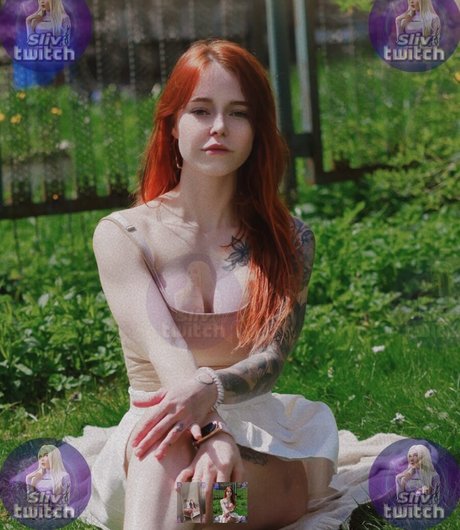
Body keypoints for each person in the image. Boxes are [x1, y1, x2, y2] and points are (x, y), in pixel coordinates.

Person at [68, 39, 339, 530]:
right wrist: (212, 432)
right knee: (170, 452)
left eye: (238, 113)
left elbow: (272, 360)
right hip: (154, 438)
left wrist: (215, 405)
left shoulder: (290, 239)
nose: (219, 127)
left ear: (257, 129)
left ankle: (193, 516)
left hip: (260, 445)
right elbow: (166, 352)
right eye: (200, 110)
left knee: (201, 492)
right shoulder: (124, 235)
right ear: (172, 124)